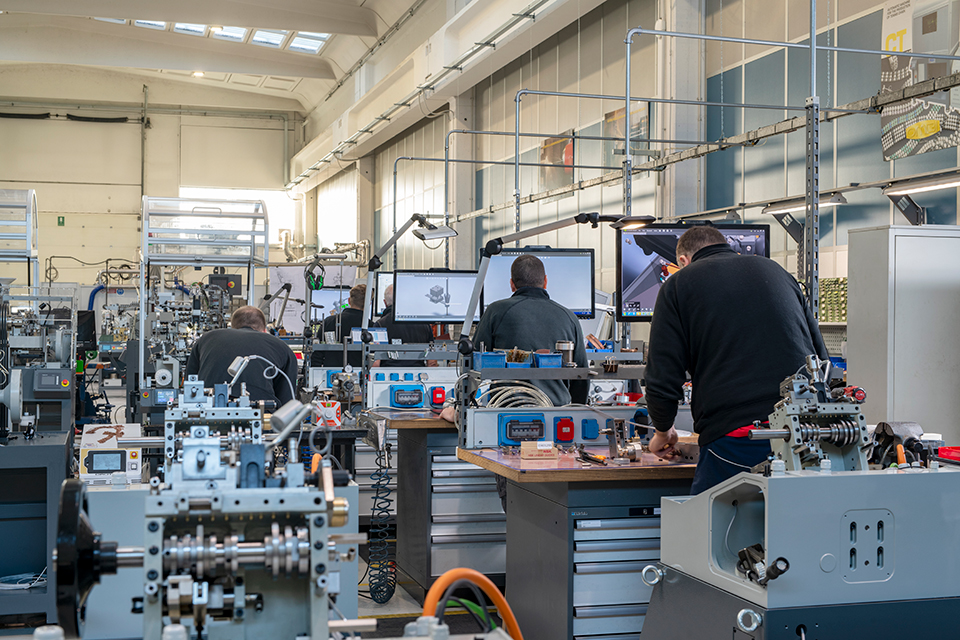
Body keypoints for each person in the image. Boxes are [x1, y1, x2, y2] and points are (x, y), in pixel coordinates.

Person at [644, 226, 829, 494]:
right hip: (807, 430)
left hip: (739, 436)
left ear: (683, 262)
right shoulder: (777, 271)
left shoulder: (678, 284)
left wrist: (663, 432)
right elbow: (820, 359)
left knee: (711, 527)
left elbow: (662, 378)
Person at [474, 254, 588, 407]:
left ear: (512, 284)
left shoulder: (495, 311)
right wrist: (575, 412)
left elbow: (473, 364)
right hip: (557, 411)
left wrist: (460, 408)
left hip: (507, 409)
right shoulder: (569, 317)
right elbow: (581, 375)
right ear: (545, 281)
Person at [186, 305, 299, 406]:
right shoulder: (282, 347)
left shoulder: (206, 339)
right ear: (264, 330)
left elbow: (190, 383)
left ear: (232, 327)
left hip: (208, 409)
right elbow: (286, 400)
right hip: (262, 413)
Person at [373, 284, 437, 367]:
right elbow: (432, 362)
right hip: (419, 376)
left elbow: (375, 363)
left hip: (388, 376)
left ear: (385, 303)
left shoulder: (380, 325)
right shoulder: (424, 324)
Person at [311, 284, 366, 368]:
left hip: (330, 377)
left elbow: (316, 355)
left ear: (349, 301)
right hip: (361, 376)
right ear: (368, 303)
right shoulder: (371, 326)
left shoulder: (329, 322)